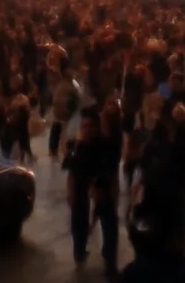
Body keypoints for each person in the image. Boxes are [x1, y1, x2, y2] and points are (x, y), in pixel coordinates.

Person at [65, 108, 119, 276]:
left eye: (90, 126)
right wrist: (70, 195)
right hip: (82, 188)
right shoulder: (77, 147)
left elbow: (112, 174)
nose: (87, 130)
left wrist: (113, 195)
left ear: (97, 128)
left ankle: (109, 260)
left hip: (102, 187)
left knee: (109, 224)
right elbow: (71, 173)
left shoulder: (105, 145)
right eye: (84, 126)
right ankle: (79, 251)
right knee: (78, 221)